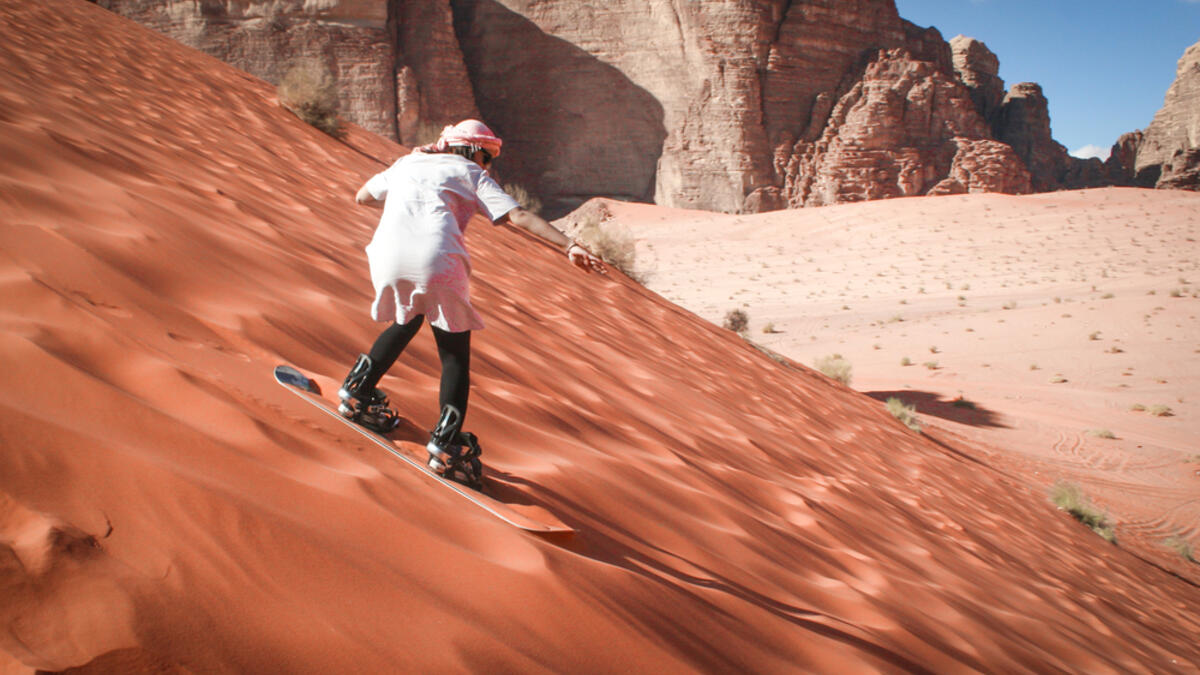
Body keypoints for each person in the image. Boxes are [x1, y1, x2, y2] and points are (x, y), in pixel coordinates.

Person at [337, 119, 605, 482]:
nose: (488, 165)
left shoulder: (407, 163)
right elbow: (518, 215)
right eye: (487, 157)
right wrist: (569, 245)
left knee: (408, 318)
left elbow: (363, 197)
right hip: (438, 260)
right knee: (453, 352)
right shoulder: (470, 173)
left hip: (386, 256)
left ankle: (357, 390)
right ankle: (447, 445)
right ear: (474, 151)